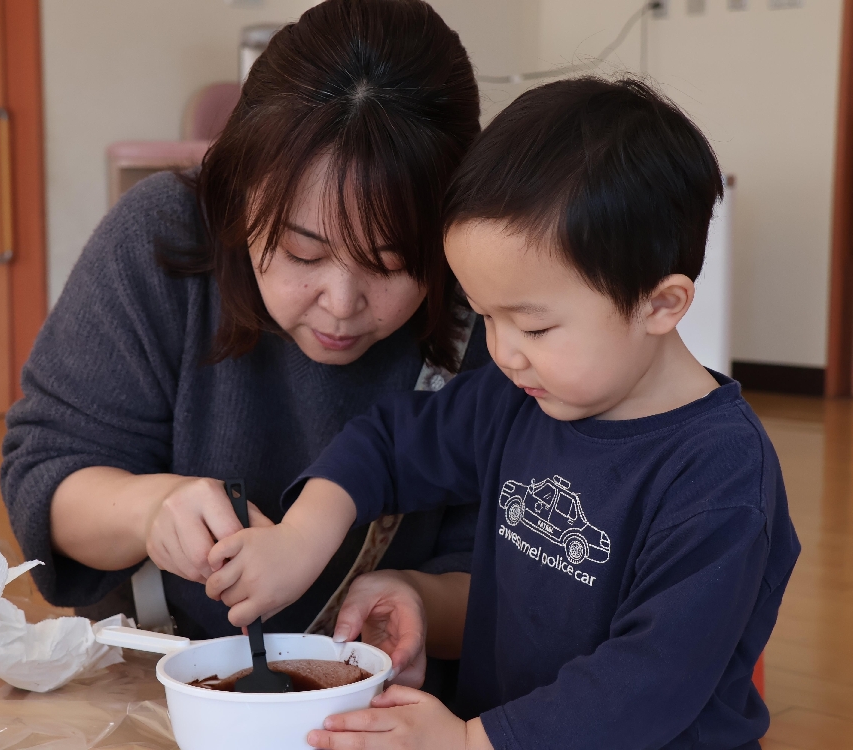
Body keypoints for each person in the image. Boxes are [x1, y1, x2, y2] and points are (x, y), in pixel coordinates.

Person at [205, 77, 801, 750]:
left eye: (535, 327)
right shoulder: (521, 396)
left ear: (660, 305)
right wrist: (303, 535)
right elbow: (390, 441)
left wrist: (469, 742)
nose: (504, 353)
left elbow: (645, 685)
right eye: (486, 317)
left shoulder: (719, 477)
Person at [0, 0, 488, 693]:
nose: (342, 304)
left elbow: (509, 573)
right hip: (159, 684)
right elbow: (46, 477)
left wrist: (414, 597)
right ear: (236, 196)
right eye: (301, 252)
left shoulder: (494, 299)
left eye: (390, 264)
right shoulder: (163, 241)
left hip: (390, 707)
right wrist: (149, 509)